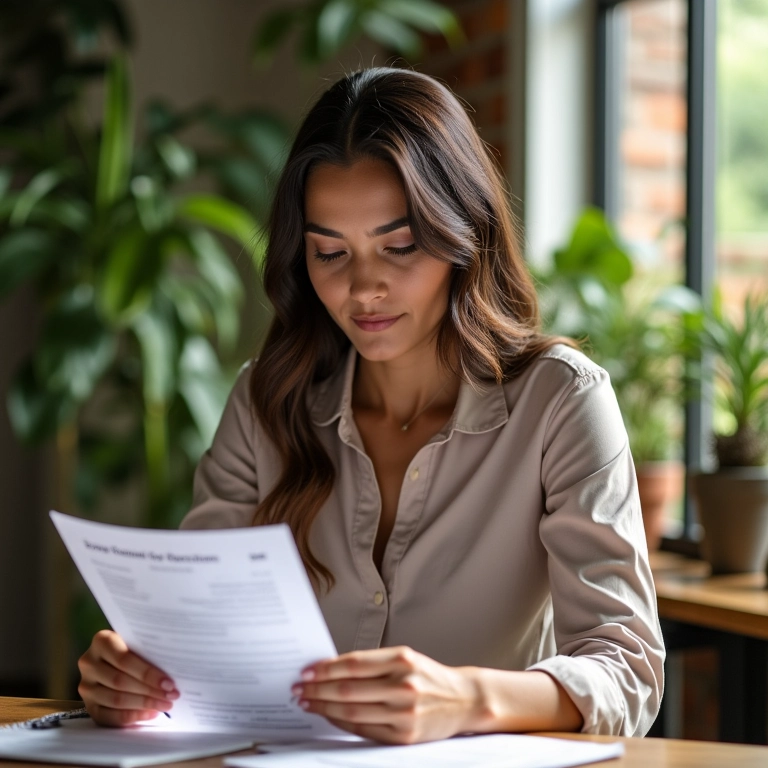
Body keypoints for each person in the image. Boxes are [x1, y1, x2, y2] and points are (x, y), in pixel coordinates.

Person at [77, 67, 665, 744]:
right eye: (331, 253)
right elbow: (197, 637)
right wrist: (134, 676)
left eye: (400, 246)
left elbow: (628, 669)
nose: (364, 289)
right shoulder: (265, 401)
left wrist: (467, 697)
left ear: (462, 236)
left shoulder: (560, 401)